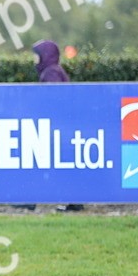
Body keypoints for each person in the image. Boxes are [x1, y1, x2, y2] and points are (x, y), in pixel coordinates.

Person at [29, 40, 84, 211]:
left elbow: (54, 101)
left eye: (37, 56)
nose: (34, 60)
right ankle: (73, 201)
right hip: (60, 126)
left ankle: (28, 199)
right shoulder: (52, 71)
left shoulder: (50, 73)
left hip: (55, 128)